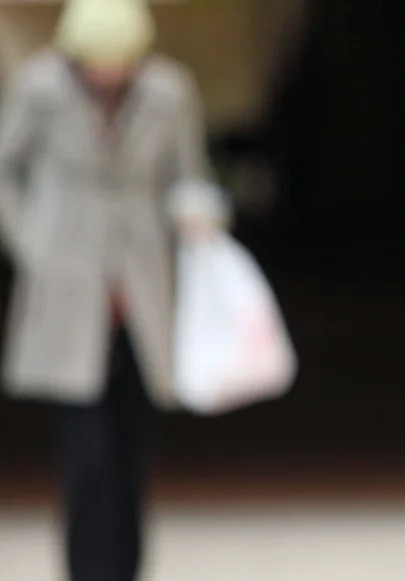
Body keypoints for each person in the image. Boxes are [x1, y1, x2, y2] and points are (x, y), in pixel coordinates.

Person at [0, 1, 218, 580]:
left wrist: (197, 215)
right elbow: (6, 168)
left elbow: (189, 175)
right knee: (86, 459)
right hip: (67, 290)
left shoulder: (170, 92)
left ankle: (125, 569)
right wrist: (31, 241)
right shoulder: (40, 88)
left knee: (131, 456)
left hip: (141, 288)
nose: (108, 75)